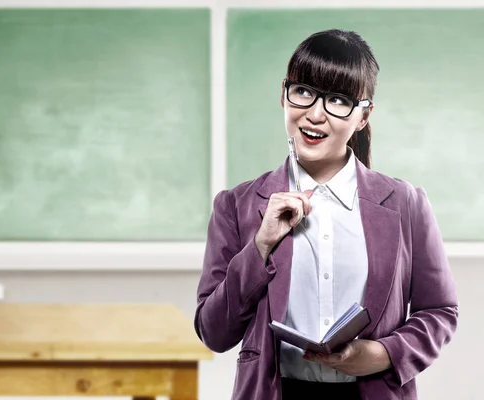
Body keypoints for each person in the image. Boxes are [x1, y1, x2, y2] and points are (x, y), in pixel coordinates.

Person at [194, 29, 458, 400]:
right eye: (303, 92)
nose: (315, 114)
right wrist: (260, 245)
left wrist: (383, 354)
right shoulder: (235, 206)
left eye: (337, 100)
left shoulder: (406, 203)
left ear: (363, 117)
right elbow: (213, 333)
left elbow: (440, 311)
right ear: (283, 95)